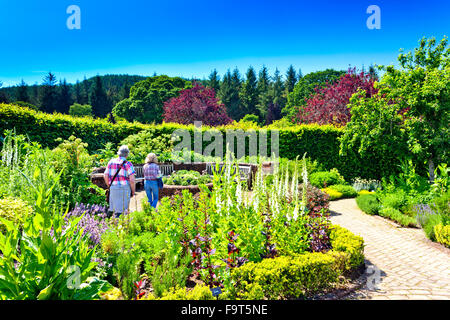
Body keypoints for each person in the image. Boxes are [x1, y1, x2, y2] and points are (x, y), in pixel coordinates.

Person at [103, 145, 136, 217]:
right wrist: (133, 191)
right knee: (123, 210)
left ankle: (110, 224)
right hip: (125, 188)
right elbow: (132, 180)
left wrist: (109, 185)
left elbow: (105, 175)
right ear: (127, 154)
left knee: (113, 209)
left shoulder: (111, 162)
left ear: (118, 153)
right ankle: (122, 225)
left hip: (113, 187)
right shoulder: (128, 164)